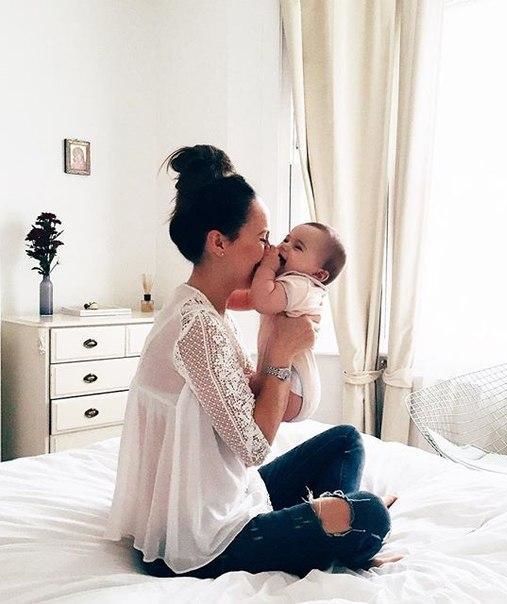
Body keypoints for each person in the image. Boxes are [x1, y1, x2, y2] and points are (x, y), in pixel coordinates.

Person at [104, 144, 393, 578]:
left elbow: (240, 402)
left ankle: (327, 526)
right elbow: (255, 447)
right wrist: (281, 354)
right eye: (262, 238)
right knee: (371, 515)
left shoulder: (205, 311)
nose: (272, 250)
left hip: (227, 496)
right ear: (218, 242)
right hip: (200, 539)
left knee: (345, 440)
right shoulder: (197, 328)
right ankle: (334, 530)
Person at [227, 222, 346, 422]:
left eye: (297, 247)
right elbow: (250, 298)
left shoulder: (302, 285)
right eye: (287, 239)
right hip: (288, 381)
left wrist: (266, 267)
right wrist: (220, 299)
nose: (285, 246)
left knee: (238, 399)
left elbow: (261, 301)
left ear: (319, 274)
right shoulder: (287, 285)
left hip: (295, 385)